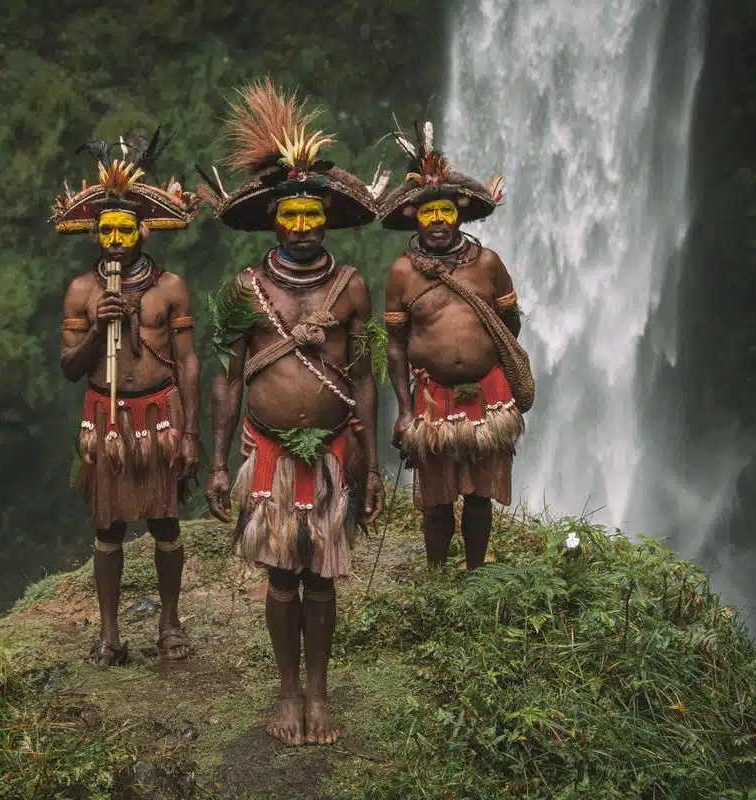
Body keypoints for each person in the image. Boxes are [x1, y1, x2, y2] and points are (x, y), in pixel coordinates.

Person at [199, 78, 389, 745]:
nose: (304, 226)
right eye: (292, 215)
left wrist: (372, 469)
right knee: (282, 576)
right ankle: (285, 694)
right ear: (274, 219)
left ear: (327, 220)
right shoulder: (241, 291)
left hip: (335, 451)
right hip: (269, 452)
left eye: (314, 215)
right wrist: (218, 463)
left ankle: (319, 694)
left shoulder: (354, 288)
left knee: (323, 578)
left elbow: (365, 377)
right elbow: (226, 379)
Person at [52, 131, 202, 667]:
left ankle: (169, 623)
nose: (116, 238)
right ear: (95, 232)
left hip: (160, 413)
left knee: (164, 520)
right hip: (106, 418)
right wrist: (100, 329)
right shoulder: (81, 292)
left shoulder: (170, 287)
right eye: (107, 229)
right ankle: (110, 634)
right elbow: (70, 368)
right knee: (108, 524)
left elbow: (187, 362)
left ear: (143, 229)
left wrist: (189, 433)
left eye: (125, 228)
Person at [379, 120, 535, 571]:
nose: (438, 222)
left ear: (460, 217)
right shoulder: (402, 274)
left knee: (479, 494)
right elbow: (395, 347)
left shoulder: (488, 264)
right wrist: (406, 410)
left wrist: (487, 363)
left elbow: (508, 323)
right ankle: (435, 571)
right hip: (432, 398)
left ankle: (475, 571)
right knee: (438, 496)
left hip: (487, 394)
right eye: (428, 214)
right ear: (415, 219)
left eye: (446, 212)